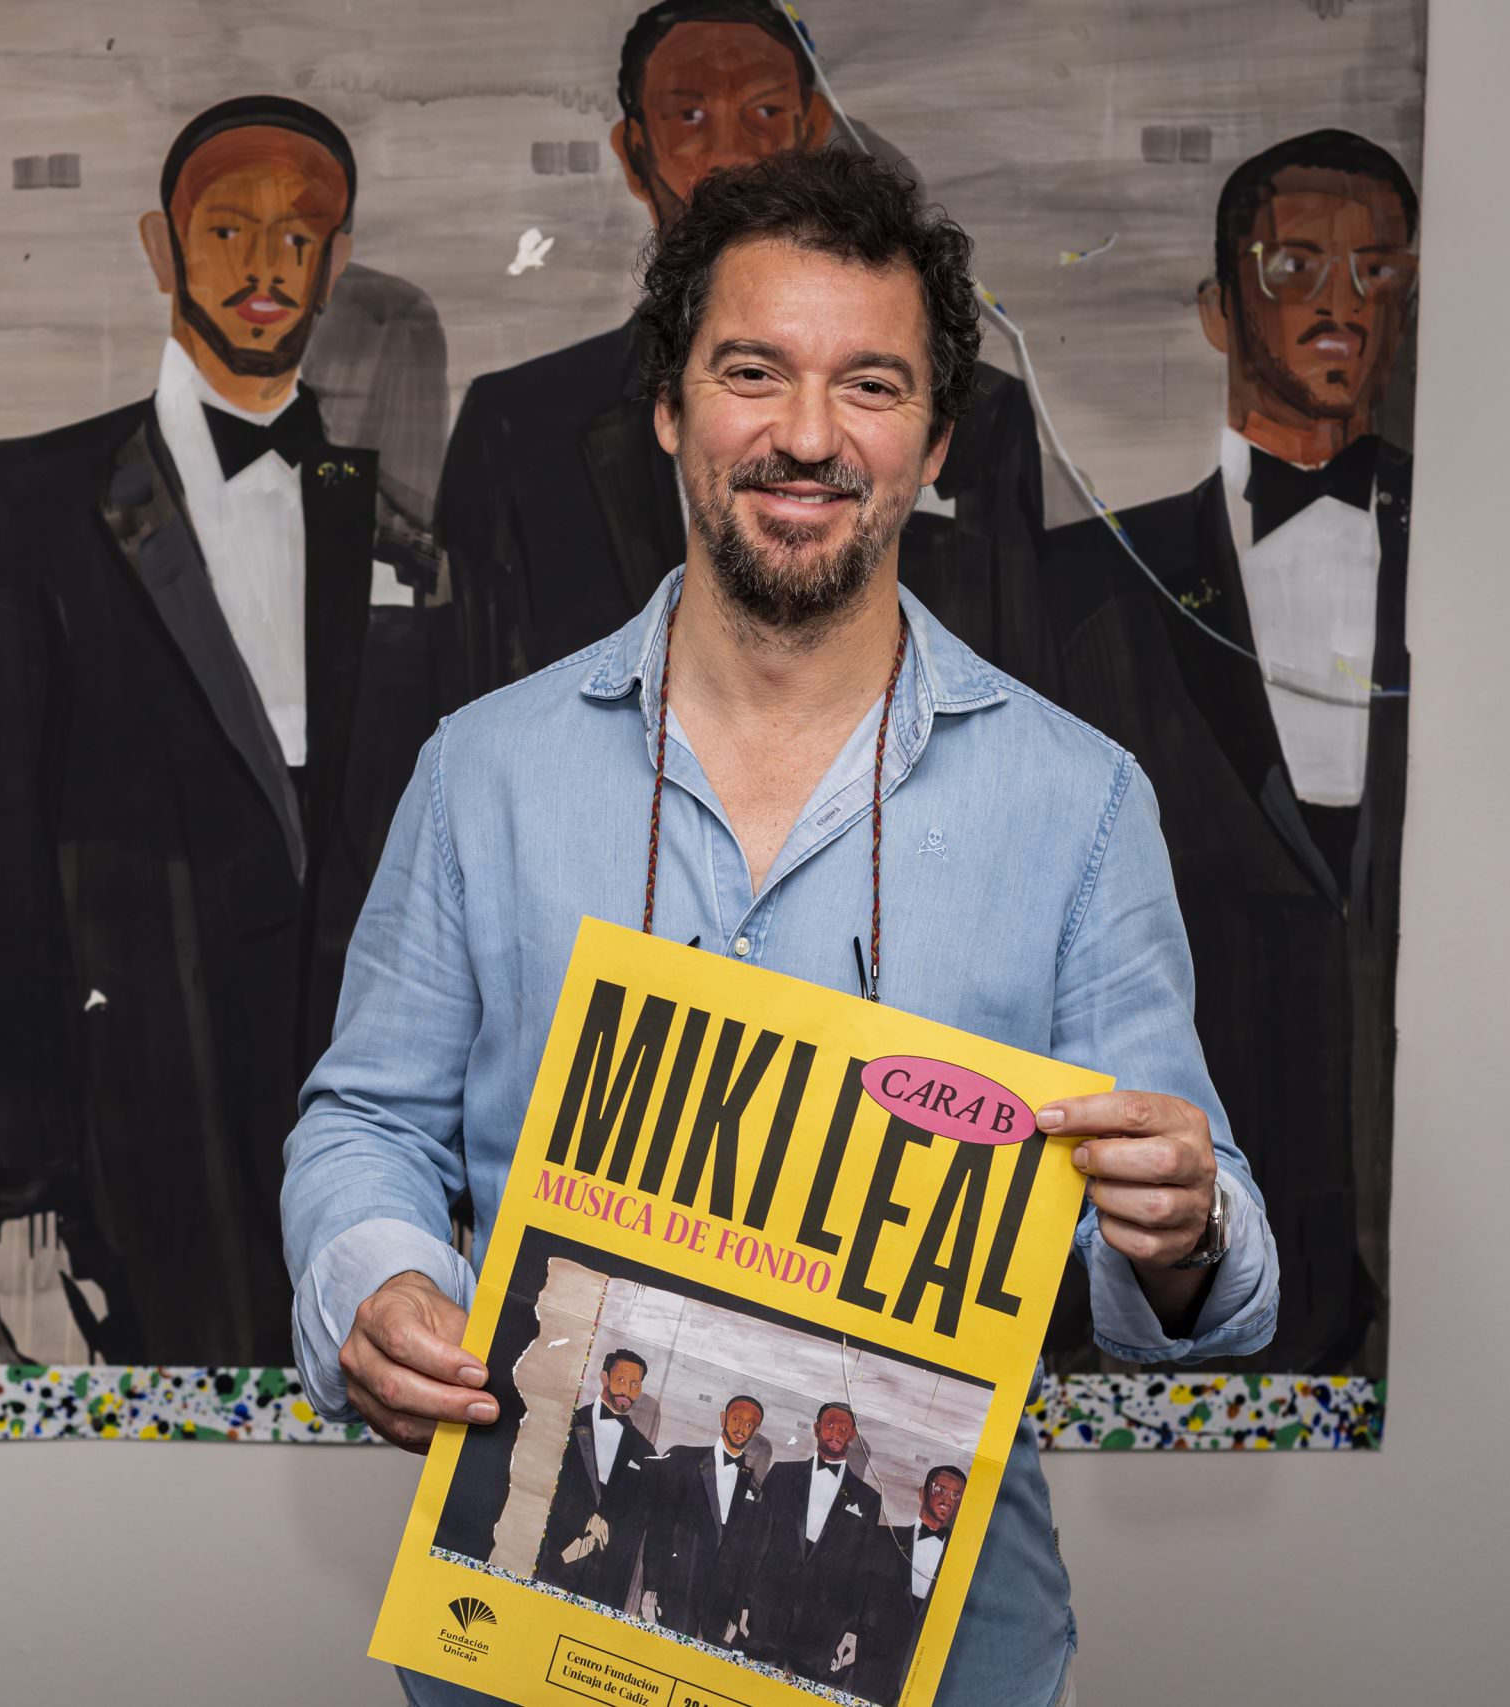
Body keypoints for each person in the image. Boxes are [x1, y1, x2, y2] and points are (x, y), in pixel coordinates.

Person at [280, 147, 1277, 1707]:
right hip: (532, 1650)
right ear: (670, 407)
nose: (808, 435)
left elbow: (1198, 1239)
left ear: (933, 441)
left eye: (870, 384)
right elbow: (367, 1122)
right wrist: (381, 1279)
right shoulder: (483, 771)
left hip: (943, 1657)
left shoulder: (1080, 804)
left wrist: (1181, 1230)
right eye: (754, 371)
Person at [0, 97, 436, 1364]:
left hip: (363, 1174)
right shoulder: (11, 511)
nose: (265, 265)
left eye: (298, 236)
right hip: (121, 1145)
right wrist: (22, 1201)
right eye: (227, 228)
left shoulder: (405, 538)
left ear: (335, 261)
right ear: (161, 247)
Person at [1041, 129, 1417, 1377]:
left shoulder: (1507, 567)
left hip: (1459, 1244)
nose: (1338, 304)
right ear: (1217, 309)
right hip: (1165, 1266)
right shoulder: (1085, 584)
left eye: (1375, 272)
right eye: (1294, 266)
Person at [435, 0, 1046, 700]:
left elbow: (1018, 688)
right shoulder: (513, 424)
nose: (728, 156)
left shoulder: (989, 417)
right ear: (634, 152)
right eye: (689, 116)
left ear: (811, 128)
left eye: (762, 111)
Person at [742, 1402, 882, 1682]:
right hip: (765, 1614)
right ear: (817, 1429)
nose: (836, 1432)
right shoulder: (782, 1475)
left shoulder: (868, 1499)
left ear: (852, 1435)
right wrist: (742, 1601)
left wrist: (851, 1631)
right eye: (829, 1425)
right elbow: (756, 1543)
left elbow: (862, 1572)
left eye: (843, 1428)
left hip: (820, 1629)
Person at [639, 1393, 772, 1645]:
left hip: (719, 1602)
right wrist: (651, 1587)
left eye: (749, 1424)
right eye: (736, 1419)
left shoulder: (754, 1489)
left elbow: (747, 1556)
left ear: (755, 1431)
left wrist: (735, 1611)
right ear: (723, 1418)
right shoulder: (682, 1459)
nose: (741, 1428)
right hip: (676, 1586)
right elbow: (660, 1527)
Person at [534, 1350, 661, 1605]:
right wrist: (585, 1518)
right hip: (555, 1554)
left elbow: (641, 1515)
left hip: (603, 1575)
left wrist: (607, 1527)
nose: (627, 1390)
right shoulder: (567, 1424)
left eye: (635, 1384)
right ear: (604, 1378)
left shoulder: (646, 1452)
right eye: (621, 1380)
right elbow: (544, 1484)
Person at [849, 1465, 968, 1705]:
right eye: (940, 1489)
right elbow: (858, 1593)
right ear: (923, 1493)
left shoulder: (963, 1560)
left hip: (924, 1680)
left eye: (956, 1495)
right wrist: (850, 1635)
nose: (947, 1500)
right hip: (872, 1667)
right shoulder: (884, 1539)